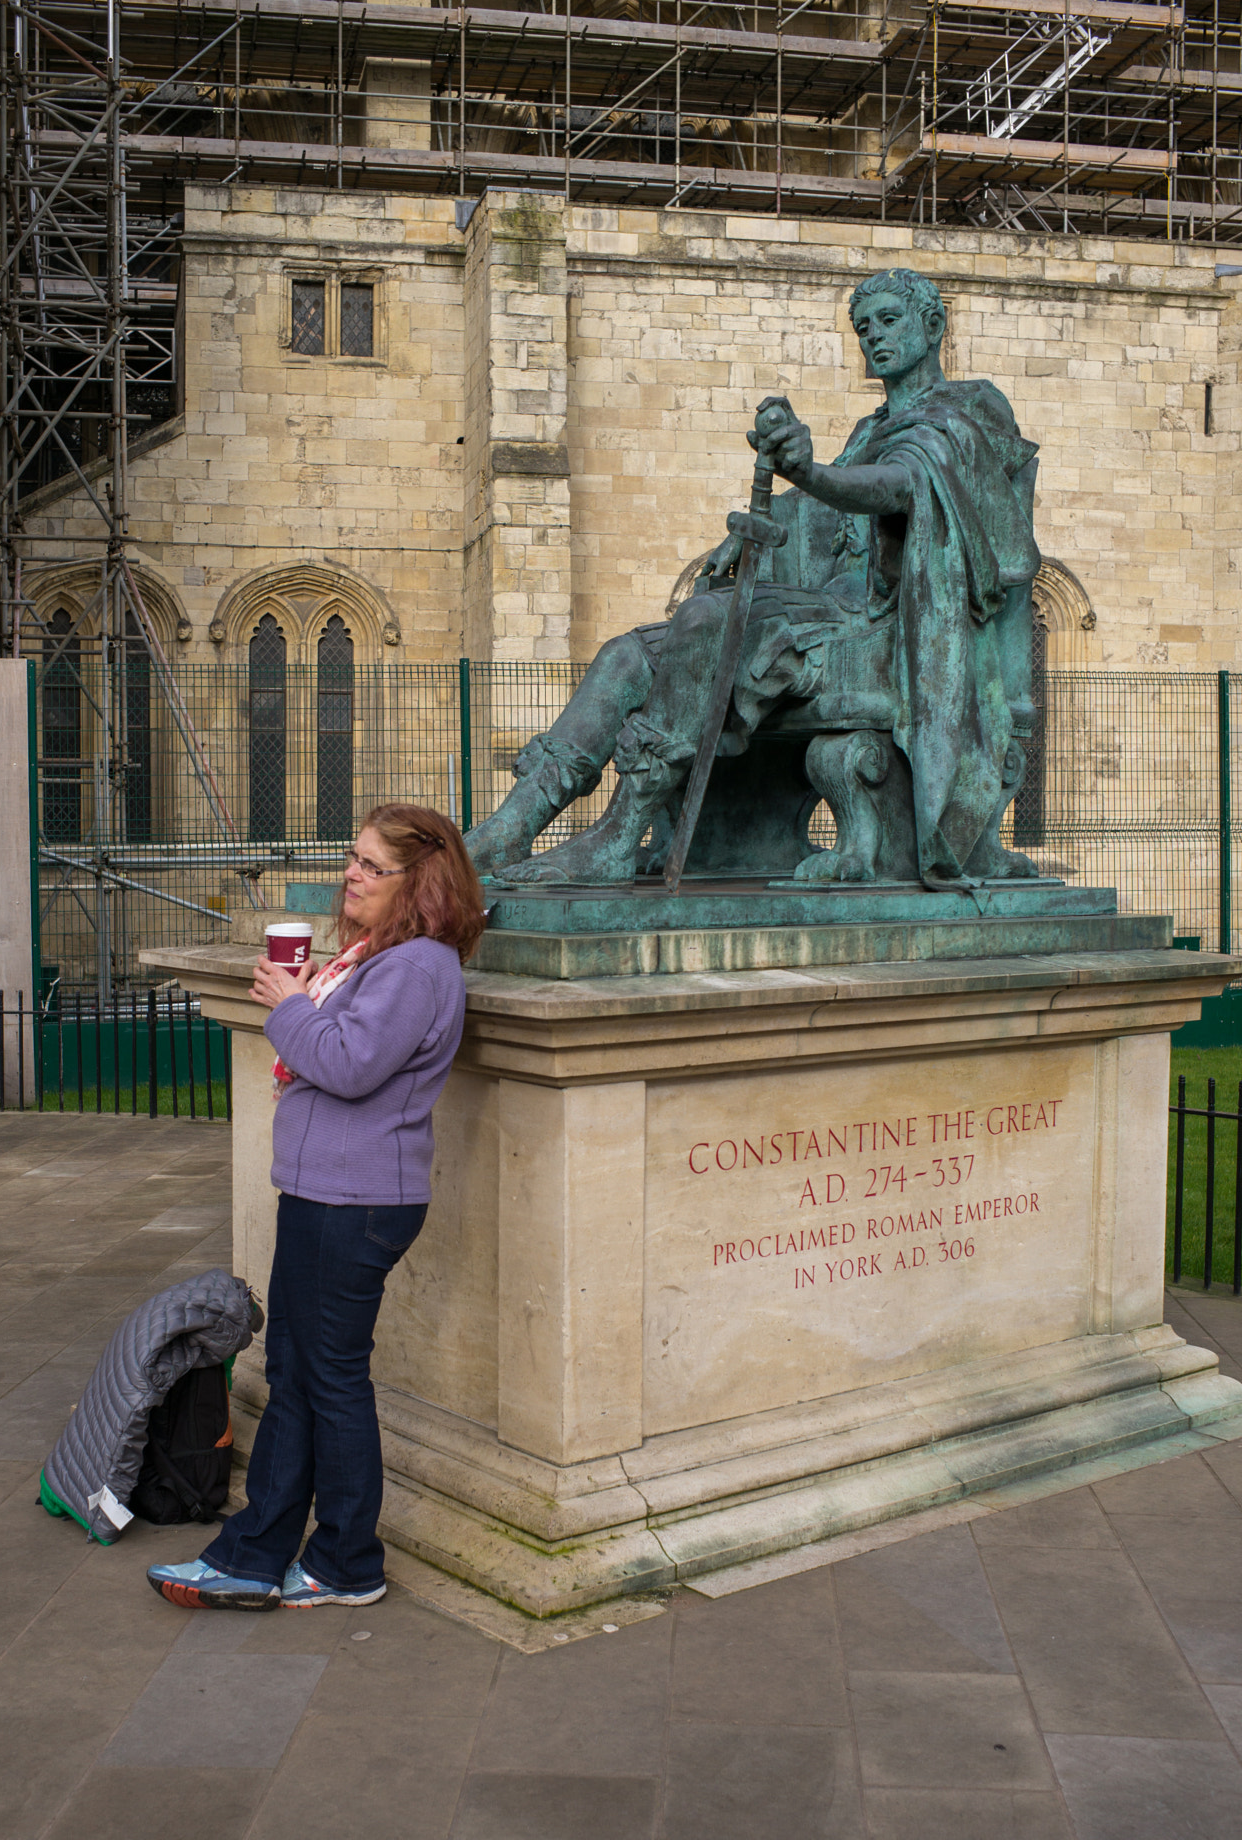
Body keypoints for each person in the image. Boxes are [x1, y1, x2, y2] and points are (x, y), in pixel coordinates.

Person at [465, 267, 1040, 889]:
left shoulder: (968, 412)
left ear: (933, 325)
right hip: (826, 611)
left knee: (708, 619)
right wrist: (753, 525)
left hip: (891, 631)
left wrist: (810, 472)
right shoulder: (871, 430)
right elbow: (821, 513)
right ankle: (512, 826)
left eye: (889, 321)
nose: (874, 337)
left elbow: (893, 487)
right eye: (863, 327)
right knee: (625, 657)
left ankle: (619, 837)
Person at [147, 804, 486, 1611]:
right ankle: (257, 1552)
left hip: (354, 1203)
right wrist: (302, 1000)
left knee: (328, 1381)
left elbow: (349, 1062)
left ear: (421, 881)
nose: (351, 875)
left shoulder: (416, 969)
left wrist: (289, 1003)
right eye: (352, 857)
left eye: (372, 865)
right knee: (300, 1374)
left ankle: (345, 1561)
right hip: (328, 1196)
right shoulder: (380, 960)